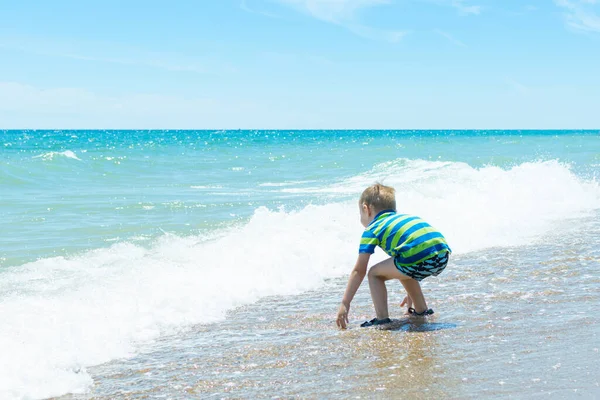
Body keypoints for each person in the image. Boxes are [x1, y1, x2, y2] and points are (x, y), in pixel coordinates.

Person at [336, 183, 451, 329]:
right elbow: (420, 248)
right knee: (401, 263)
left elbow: (359, 270)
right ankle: (421, 311)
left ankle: (382, 320)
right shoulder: (405, 219)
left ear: (366, 209)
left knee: (374, 273)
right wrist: (411, 291)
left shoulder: (373, 228)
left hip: (416, 259)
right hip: (442, 255)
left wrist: (345, 303)